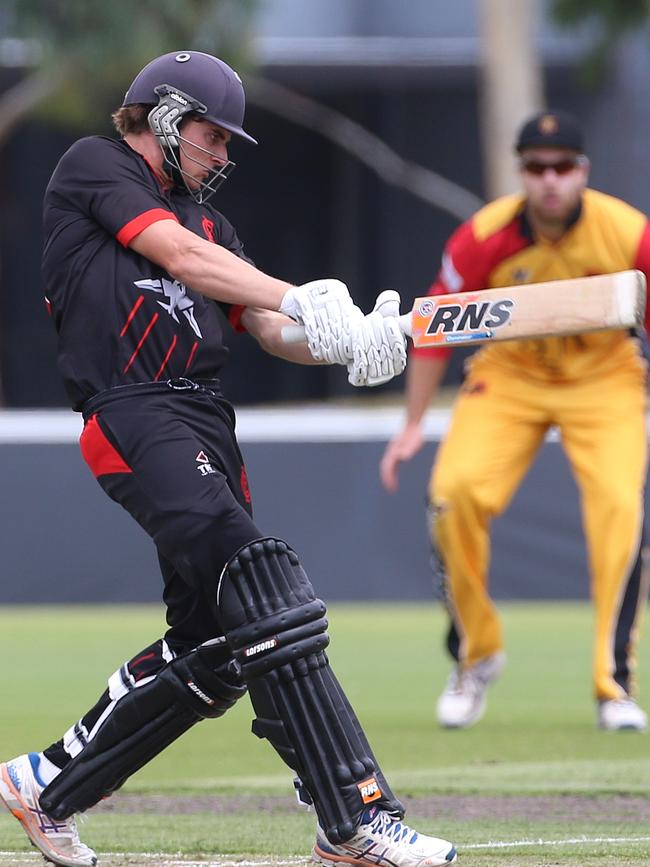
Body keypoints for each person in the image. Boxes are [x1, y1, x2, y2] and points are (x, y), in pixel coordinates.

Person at [0, 52, 457, 867]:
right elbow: (178, 257)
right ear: (167, 117)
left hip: (208, 422)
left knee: (215, 644)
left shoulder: (219, 229)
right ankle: (353, 814)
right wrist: (299, 295)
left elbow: (269, 327)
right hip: (136, 409)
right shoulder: (95, 166)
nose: (222, 155)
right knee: (269, 591)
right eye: (213, 137)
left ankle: (47, 784)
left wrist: (351, 342)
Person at [380, 109, 650, 733]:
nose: (550, 180)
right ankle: (476, 657)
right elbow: (432, 329)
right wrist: (413, 425)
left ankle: (615, 685)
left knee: (619, 507)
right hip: (510, 376)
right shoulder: (483, 237)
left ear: (583, 171)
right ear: (521, 173)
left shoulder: (627, 233)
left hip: (604, 376)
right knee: (453, 497)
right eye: (536, 168)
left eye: (562, 168)